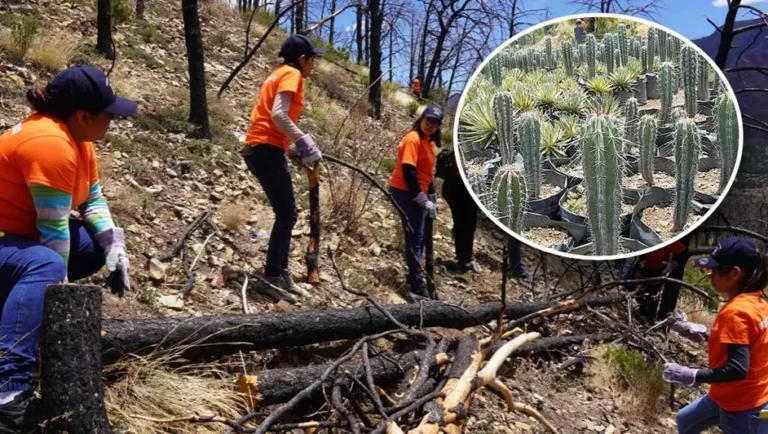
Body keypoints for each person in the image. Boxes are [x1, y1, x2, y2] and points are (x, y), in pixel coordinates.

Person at [0, 64, 137, 430]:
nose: (112, 120)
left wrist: (114, 247)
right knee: (46, 264)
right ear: (83, 115)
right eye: (108, 114)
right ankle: (7, 392)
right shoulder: (50, 145)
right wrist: (57, 300)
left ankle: (18, 310)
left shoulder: (79, 141)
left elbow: (92, 198)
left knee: (91, 248)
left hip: (15, 239)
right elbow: (53, 229)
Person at [243, 34, 325, 304]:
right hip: (265, 147)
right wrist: (303, 141)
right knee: (288, 213)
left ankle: (281, 271)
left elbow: (270, 117)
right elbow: (278, 115)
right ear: (302, 59)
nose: (313, 65)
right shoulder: (292, 74)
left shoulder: (277, 72)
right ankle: (272, 275)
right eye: (312, 60)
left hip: (260, 147)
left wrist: (292, 148)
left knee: (286, 213)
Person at [663, 237, 768, 434]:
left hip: (742, 407)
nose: (710, 276)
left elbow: (737, 369)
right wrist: (700, 333)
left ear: (735, 273)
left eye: (716, 270)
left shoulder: (736, 311)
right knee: (686, 420)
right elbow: (745, 343)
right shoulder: (758, 303)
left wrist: (692, 375)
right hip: (735, 395)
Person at [435, 149, 527, 278]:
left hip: (459, 187)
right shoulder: (466, 152)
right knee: (465, 225)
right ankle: (464, 261)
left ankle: (463, 259)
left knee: (466, 225)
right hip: (459, 188)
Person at [389, 106, 442, 298]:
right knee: (414, 237)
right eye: (428, 120)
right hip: (405, 191)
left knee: (418, 237)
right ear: (421, 119)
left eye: (435, 123)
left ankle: (415, 277)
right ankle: (415, 284)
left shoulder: (427, 142)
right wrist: (420, 197)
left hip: (417, 192)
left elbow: (425, 173)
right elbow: (409, 170)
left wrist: (432, 196)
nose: (430, 125)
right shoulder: (413, 139)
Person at [619, 240, 687, 322]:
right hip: (643, 268)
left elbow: (684, 253)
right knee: (632, 286)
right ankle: (642, 311)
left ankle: (650, 319)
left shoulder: (668, 242)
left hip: (659, 270)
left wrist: (673, 263)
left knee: (653, 294)